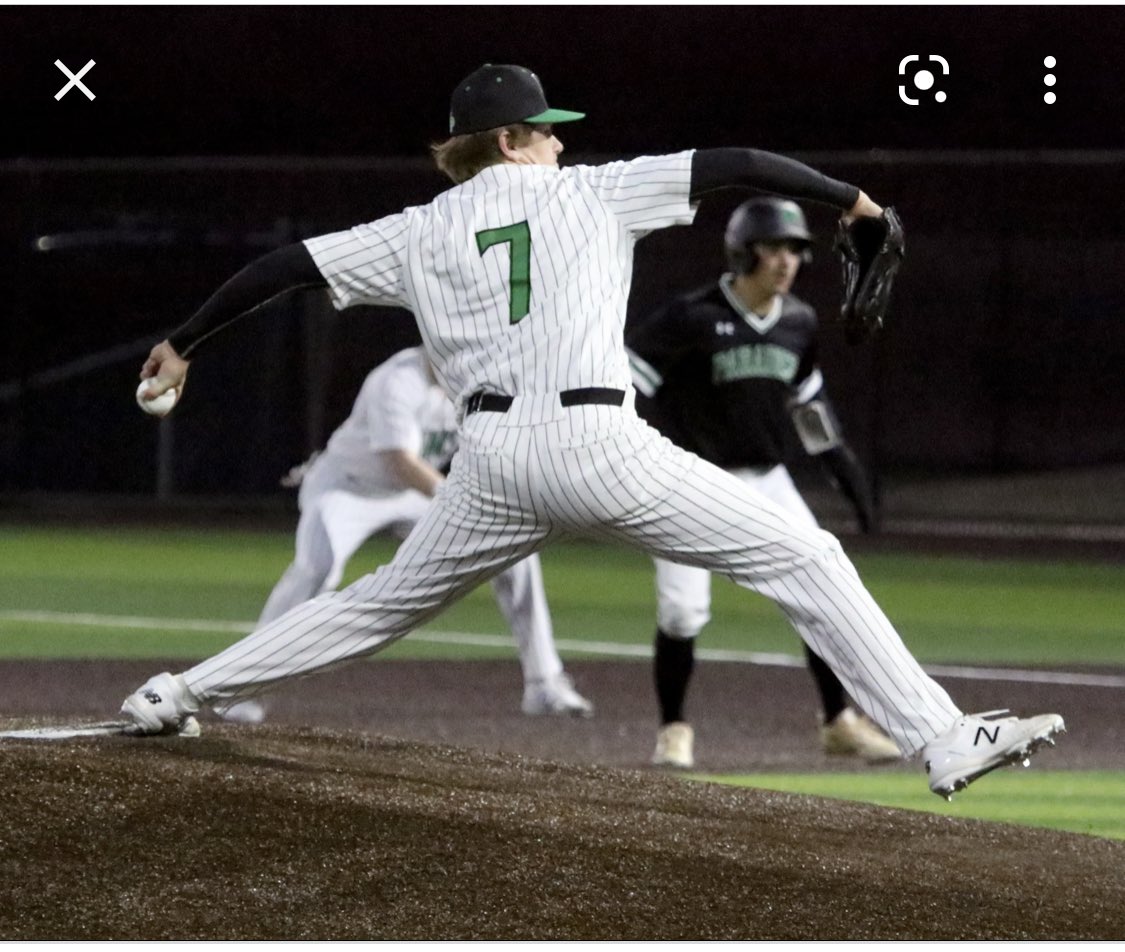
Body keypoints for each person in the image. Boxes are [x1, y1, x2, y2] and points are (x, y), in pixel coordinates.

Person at [121, 63, 1063, 800]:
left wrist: (183, 341)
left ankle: (179, 692)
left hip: (489, 463)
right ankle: (939, 737)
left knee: (374, 607)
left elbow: (284, 266)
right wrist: (848, 200)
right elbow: (734, 164)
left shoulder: (414, 229)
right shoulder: (596, 193)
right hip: (595, 446)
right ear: (509, 138)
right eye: (548, 134)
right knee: (802, 557)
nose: (563, 149)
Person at [627, 197, 898, 768]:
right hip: (692, 484)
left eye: (797, 250)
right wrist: (651, 450)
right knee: (682, 613)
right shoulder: (692, 315)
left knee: (821, 592)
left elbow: (809, 404)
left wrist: (843, 467)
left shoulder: (798, 321)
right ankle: (674, 729)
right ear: (744, 251)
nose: (787, 261)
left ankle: (838, 723)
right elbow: (628, 378)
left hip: (768, 480)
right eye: (775, 247)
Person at [218, 345, 592, 724]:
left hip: (411, 495)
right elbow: (398, 462)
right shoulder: (396, 379)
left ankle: (544, 681)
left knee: (516, 549)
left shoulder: (475, 383)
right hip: (347, 489)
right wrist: (460, 497)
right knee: (317, 568)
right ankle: (242, 688)